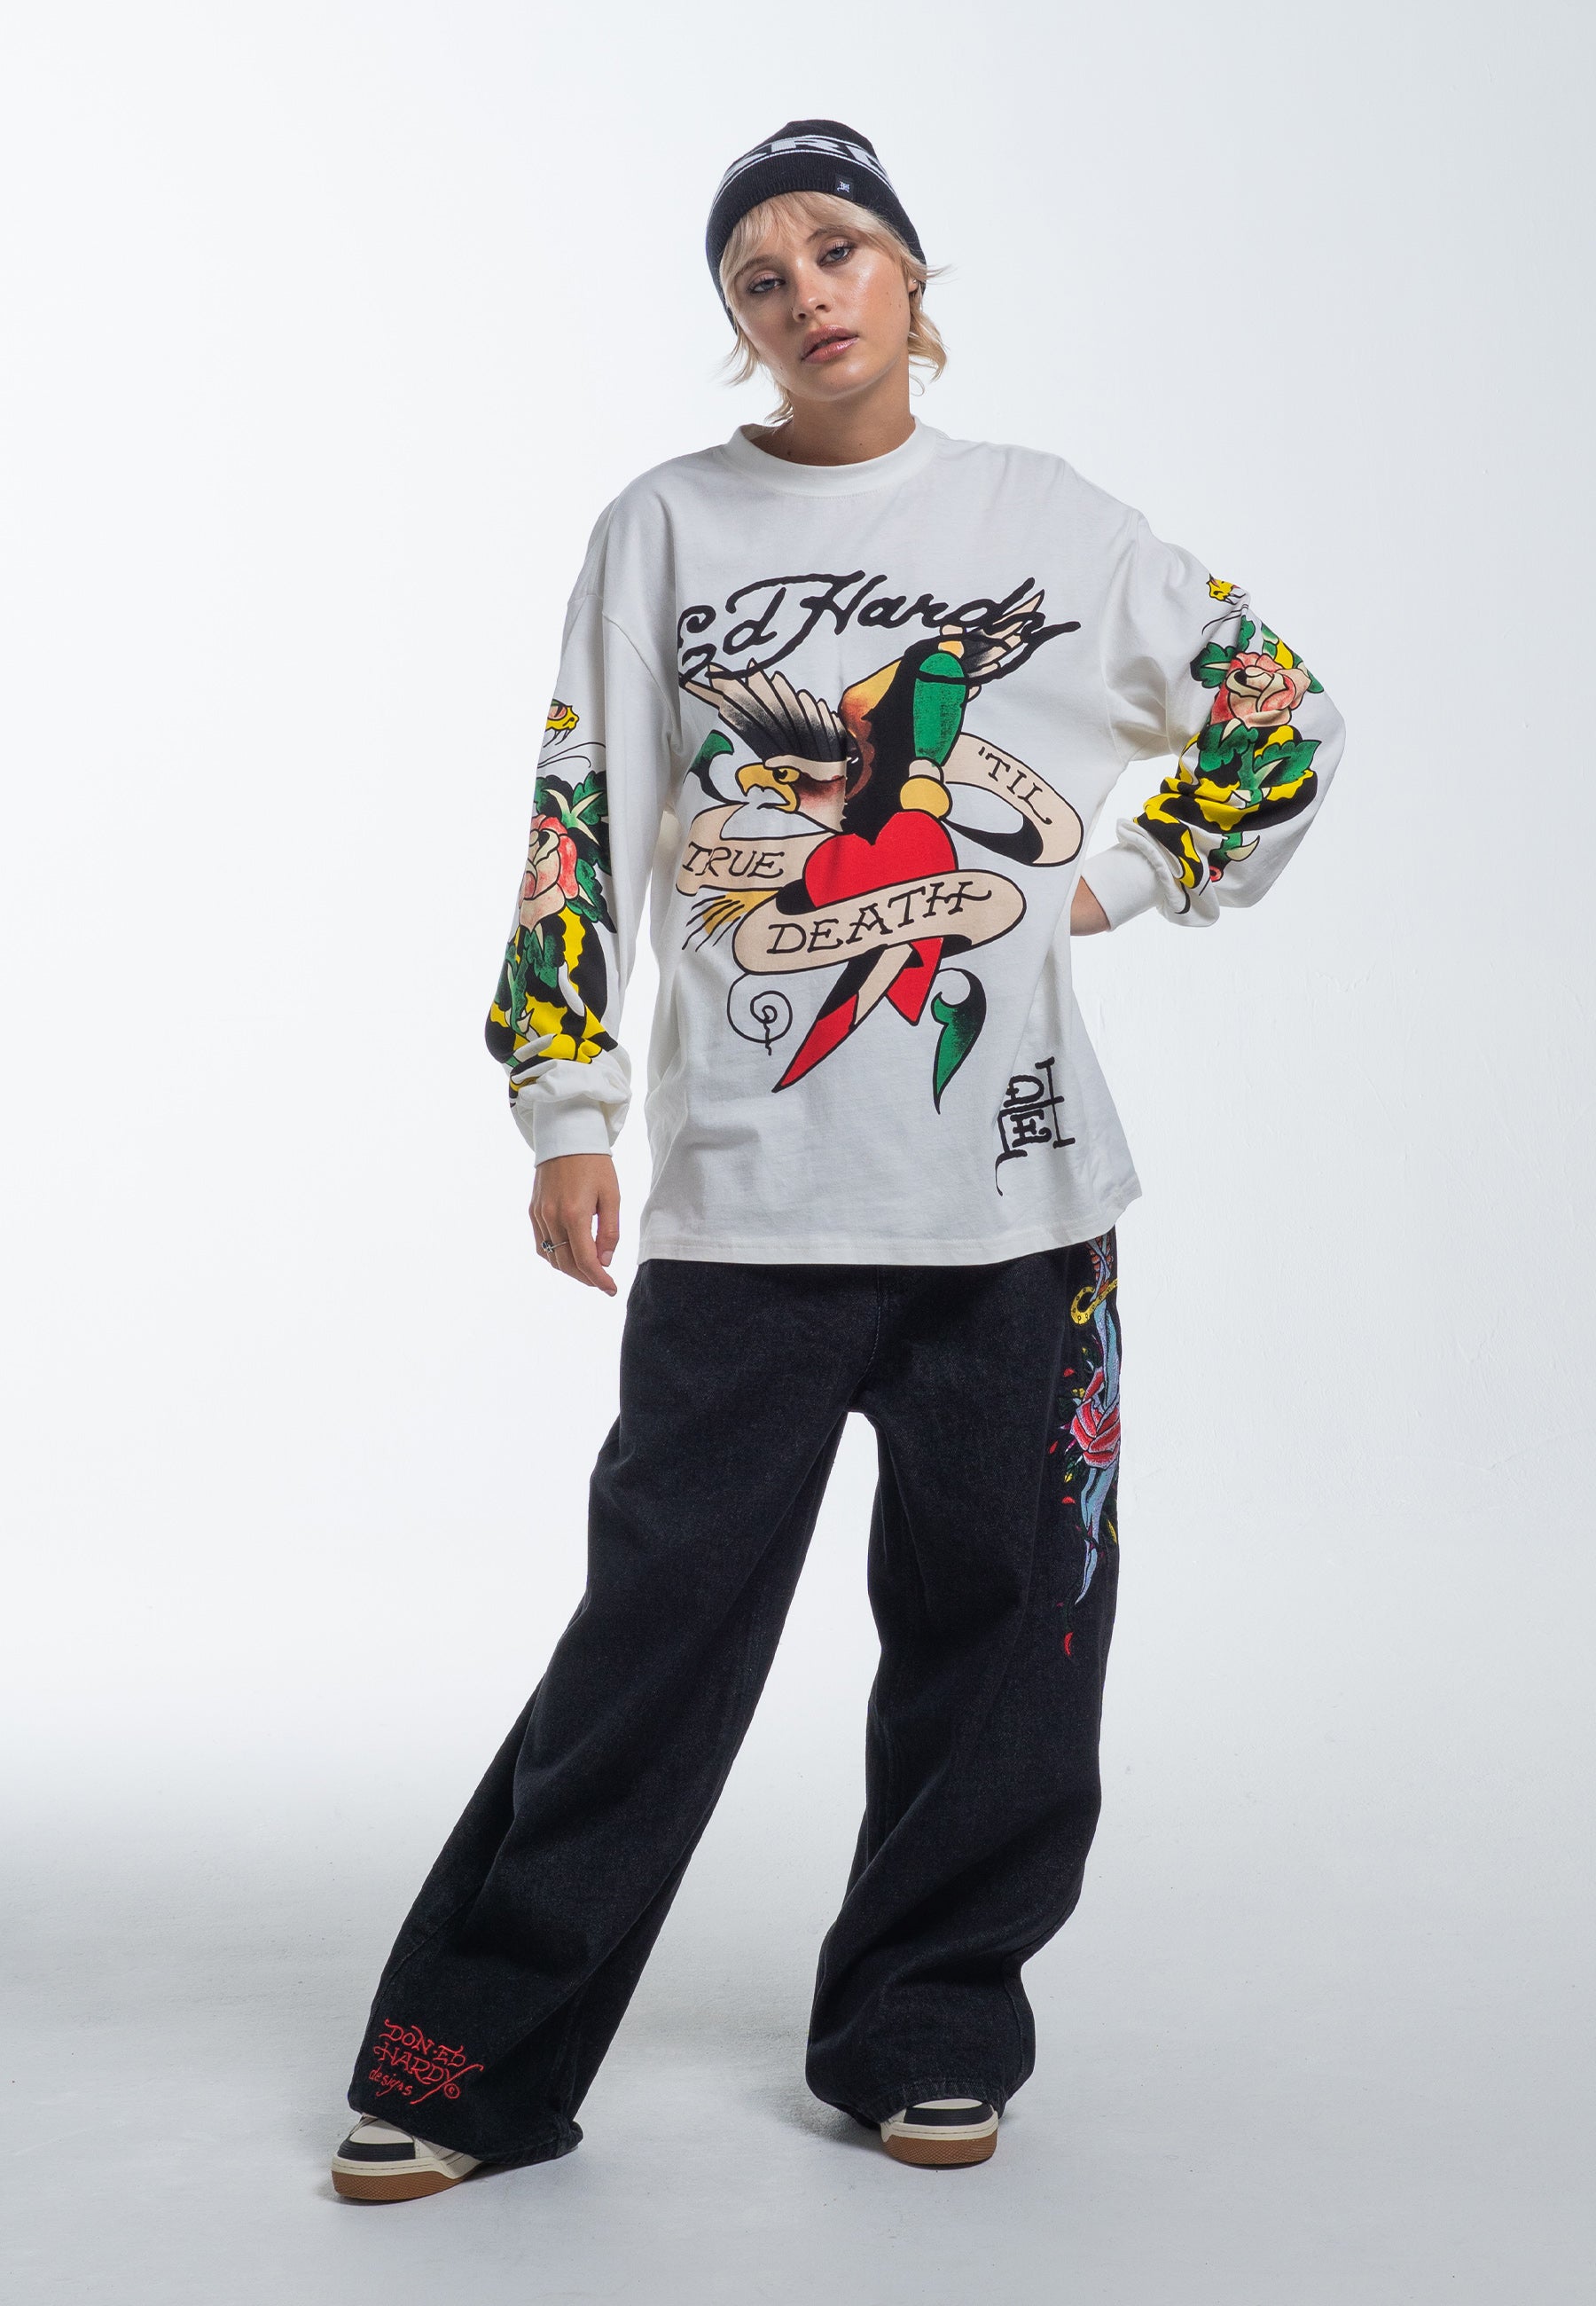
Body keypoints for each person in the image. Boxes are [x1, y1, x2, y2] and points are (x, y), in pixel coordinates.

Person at [329, 117, 1345, 2202]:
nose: (807, 294)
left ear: (912, 278)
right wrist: (565, 1107)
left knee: (1011, 1638)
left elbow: (1280, 712)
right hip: (748, 1201)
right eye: (760, 277)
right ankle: (466, 2055)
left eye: (841, 250)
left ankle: (928, 2025)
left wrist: (1114, 880)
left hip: (1024, 1208)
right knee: (652, 1640)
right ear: (737, 326)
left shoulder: (1050, 518)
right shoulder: (664, 527)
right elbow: (578, 814)